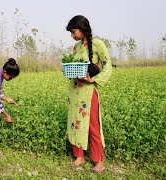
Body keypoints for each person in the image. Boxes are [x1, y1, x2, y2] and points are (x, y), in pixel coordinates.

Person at [65, 15, 112, 173]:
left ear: (82, 28)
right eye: (70, 32)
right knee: (75, 124)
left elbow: (108, 66)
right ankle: (79, 156)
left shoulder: (98, 44)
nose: (72, 35)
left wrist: (93, 79)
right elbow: (73, 66)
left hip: (88, 94)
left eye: (73, 31)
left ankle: (98, 161)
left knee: (93, 127)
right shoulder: (77, 47)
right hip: (75, 92)